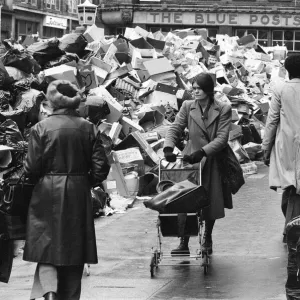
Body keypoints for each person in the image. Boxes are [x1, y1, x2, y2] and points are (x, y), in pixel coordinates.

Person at [23, 80, 110, 300]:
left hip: (46, 191)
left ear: (51, 102)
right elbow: (101, 168)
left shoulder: (40, 128)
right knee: (74, 249)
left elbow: (31, 168)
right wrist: (84, 182)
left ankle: (50, 292)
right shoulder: (88, 127)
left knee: (46, 247)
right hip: (78, 192)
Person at [163, 73, 232, 255]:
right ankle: (183, 241)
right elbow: (176, 127)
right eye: (193, 88)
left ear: (208, 90)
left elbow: (222, 138)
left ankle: (207, 236)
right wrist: (168, 148)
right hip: (190, 159)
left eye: (198, 88)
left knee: (210, 201)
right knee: (184, 199)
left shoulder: (223, 108)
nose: (195, 92)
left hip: (211, 158)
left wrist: (203, 152)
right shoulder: (187, 106)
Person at [262, 54, 300, 299]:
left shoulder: (280, 88)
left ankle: (291, 229)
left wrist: (266, 149)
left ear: (286, 70)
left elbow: (272, 119)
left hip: (287, 148)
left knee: (291, 190)